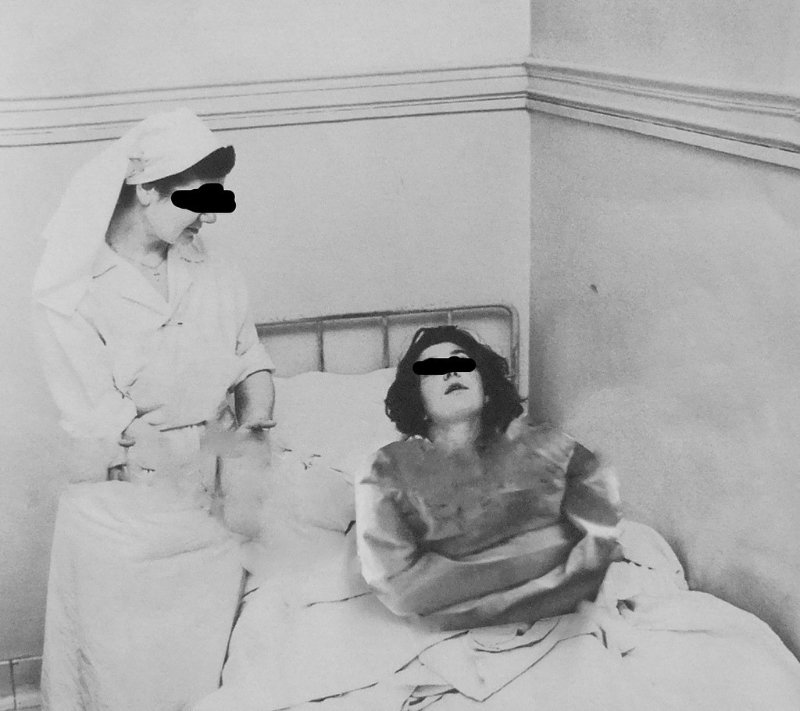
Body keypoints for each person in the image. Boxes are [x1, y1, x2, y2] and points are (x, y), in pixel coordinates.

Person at [33, 108, 275, 710]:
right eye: (198, 199)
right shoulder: (71, 293)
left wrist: (249, 433)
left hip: (212, 517)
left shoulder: (213, 269)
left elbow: (250, 359)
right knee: (124, 686)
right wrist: (215, 454)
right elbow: (113, 425)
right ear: (146, 190)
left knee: (207, 684)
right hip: (125, 524)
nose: (210, 215)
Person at [357, 325, 623, 630]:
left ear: (485, 389)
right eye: (431, 370)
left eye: (462, 361)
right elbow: (400, 588)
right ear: (419, 402)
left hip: (567, 610)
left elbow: (602, 531)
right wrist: (544, 553)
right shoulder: (385, 470)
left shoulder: (547, 444)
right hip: (459, 625)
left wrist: (465, 572)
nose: (451, 371)